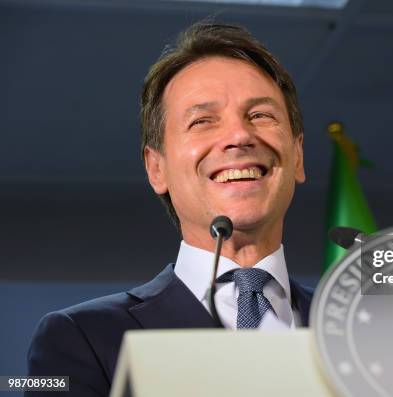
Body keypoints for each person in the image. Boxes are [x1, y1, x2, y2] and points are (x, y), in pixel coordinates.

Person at [26, 21, 311, 396]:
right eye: (202, 121)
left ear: (297, 157)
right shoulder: (80, 338)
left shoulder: (371, 331)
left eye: (261, 116)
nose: (240, 136)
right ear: (156, 168)